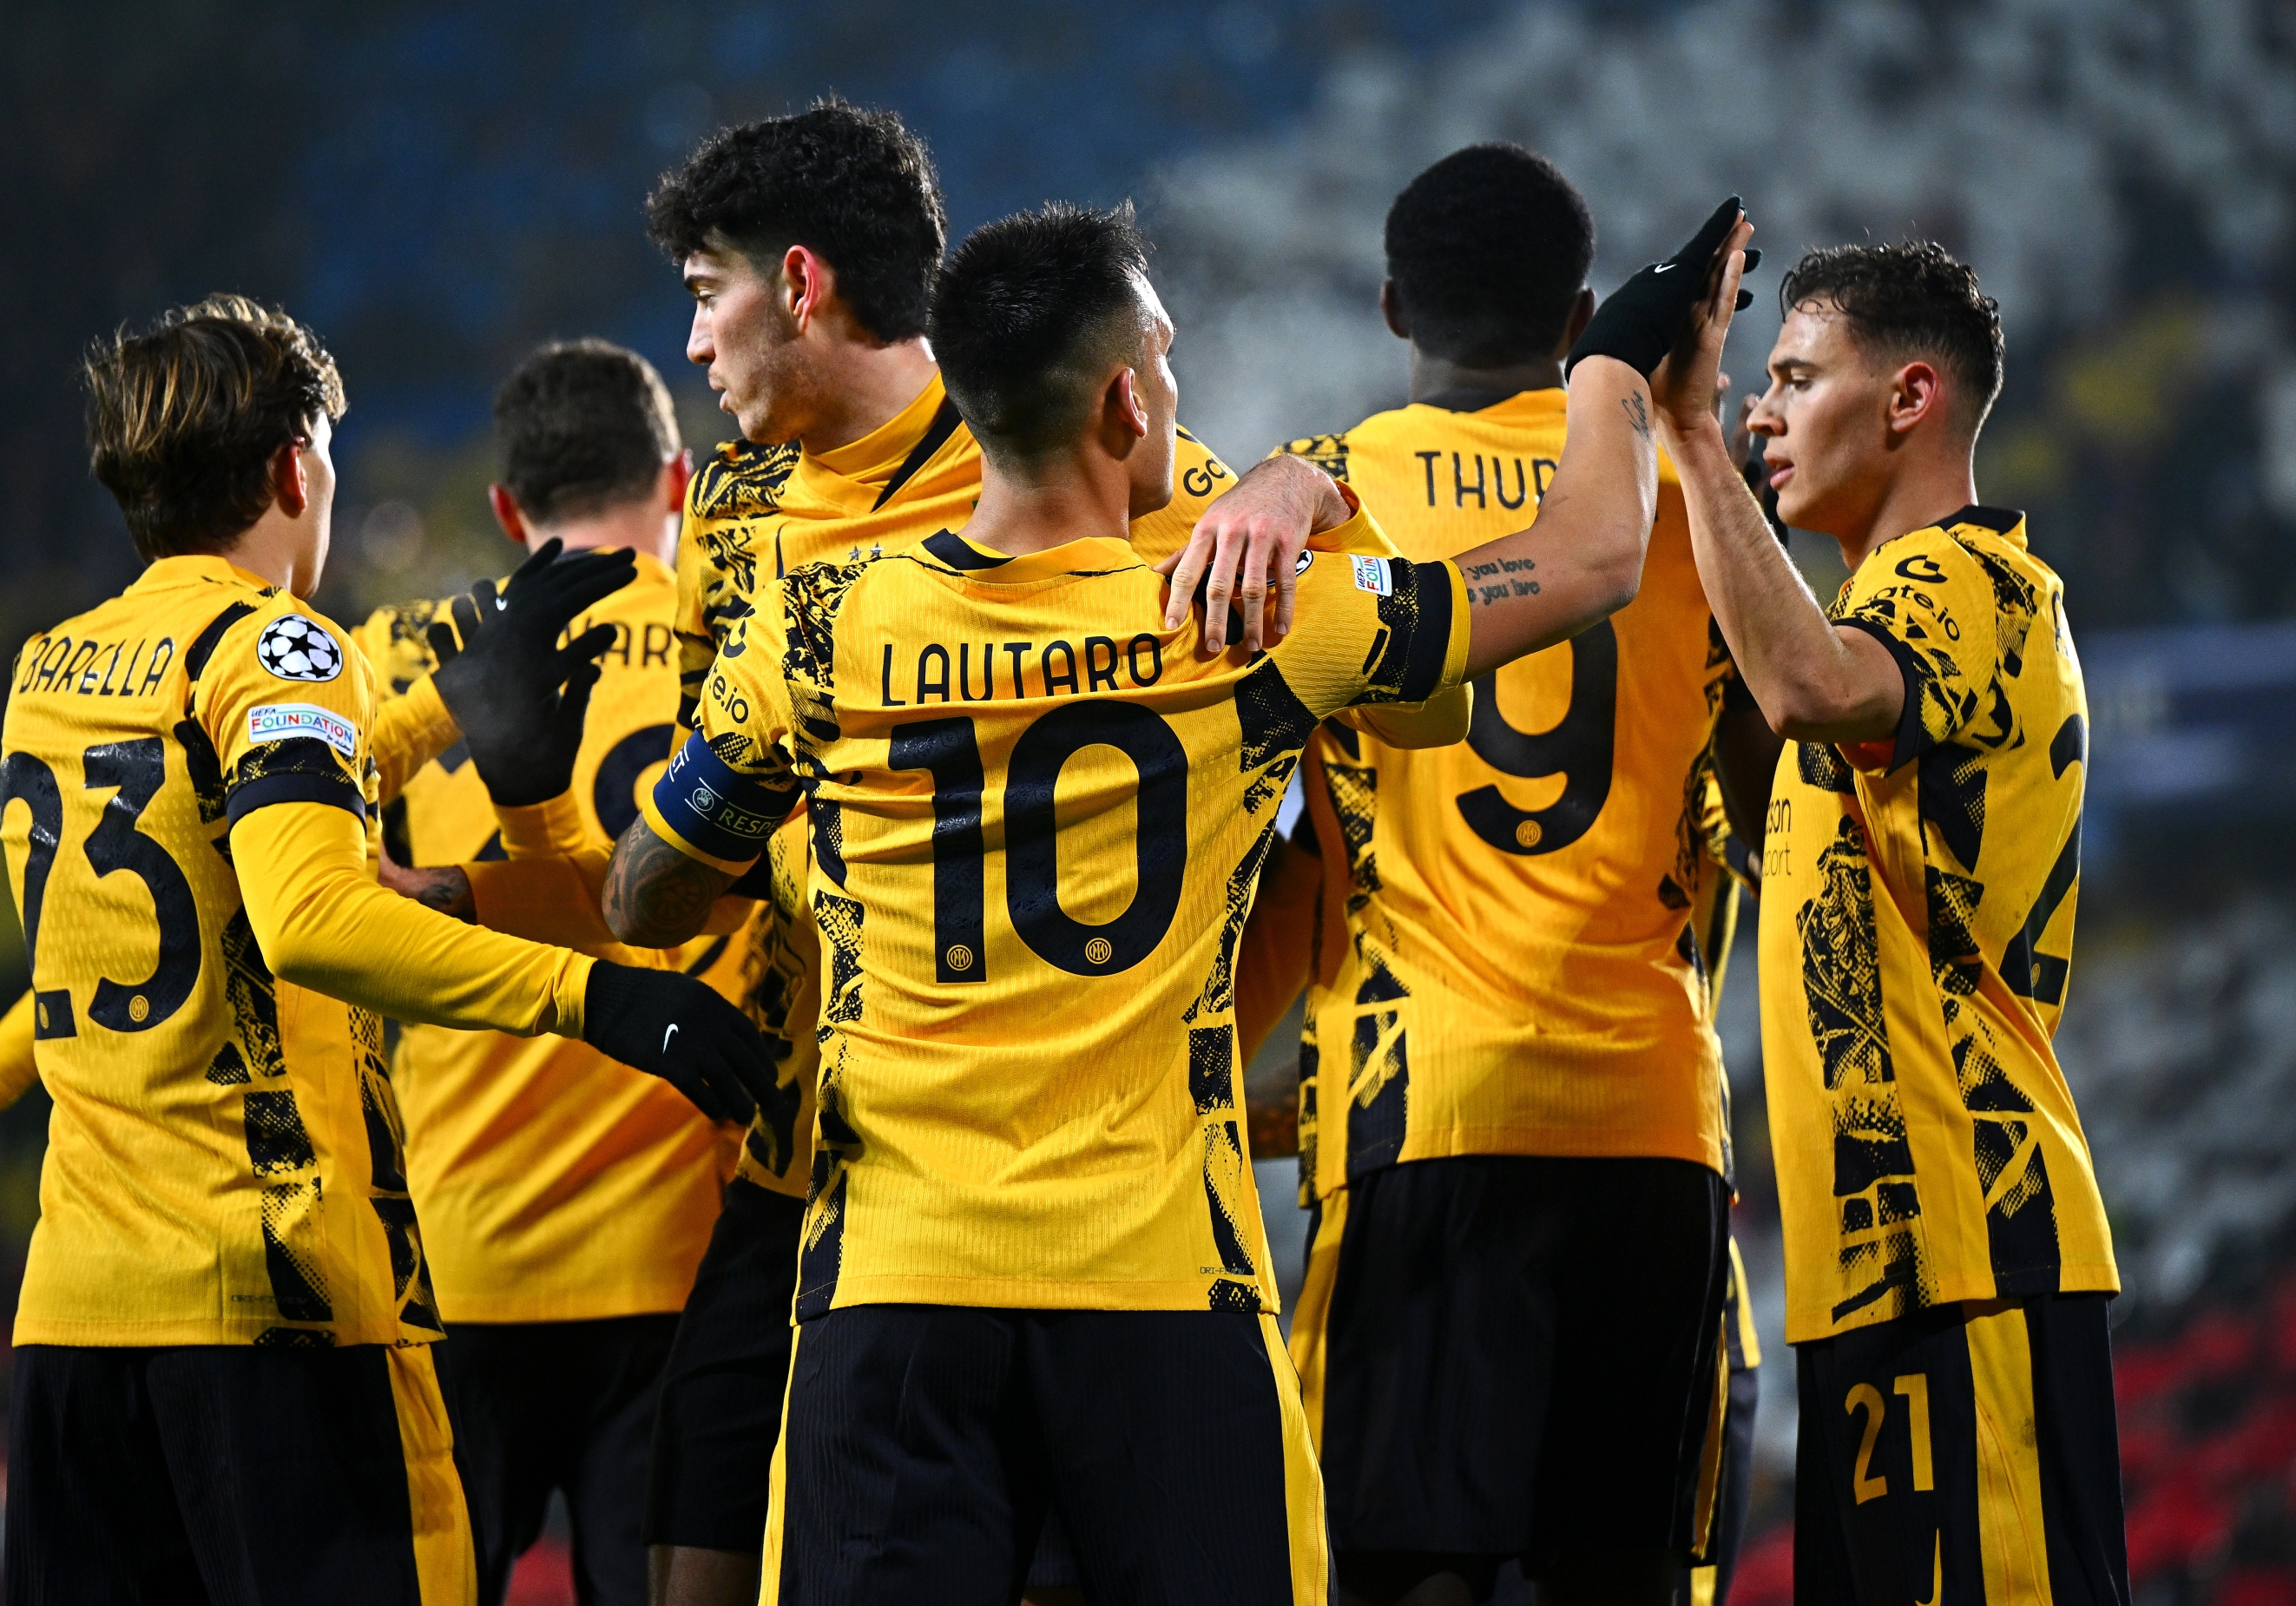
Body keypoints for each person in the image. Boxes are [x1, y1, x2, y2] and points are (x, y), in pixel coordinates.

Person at [602, 196, 1753, 1602]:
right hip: (1160, 1289)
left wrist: (761, 830)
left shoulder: (823, 625)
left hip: (896, 1282)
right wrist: (1622, 363)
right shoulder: (1253, 621)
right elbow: (1587, 560)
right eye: (1169, 362)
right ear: (1127, 400)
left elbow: (648, 898)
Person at [622, 101, 1368, 1606]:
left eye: (707, 297)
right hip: (823, 1168)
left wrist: (1299, 476)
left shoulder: (1074, 453)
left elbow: (1294, 809)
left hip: (1090, 1186)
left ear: (804, 284)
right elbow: (688, 825)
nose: (693, 350)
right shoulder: (733, 509)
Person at [0, 295, 779, 1606]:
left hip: (79, 1315)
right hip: (286, 1299)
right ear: (290, 468)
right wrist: (596, 1002)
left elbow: (139, 901)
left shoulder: (54, 668)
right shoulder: (294, 648)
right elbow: (309, 912)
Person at [1240, 144, 1779, 1606]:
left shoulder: (1319, 504)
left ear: (1393, 305)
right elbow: (1768, 801)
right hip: (1659, 1119)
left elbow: (1263, 845)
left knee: (1402, 1571)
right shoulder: (1686, 499)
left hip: (1430, 1115)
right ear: (1582, 313)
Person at [1660, 244, 2127, 1606]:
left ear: (1910, 396)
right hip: (1880, 1269)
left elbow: (1807, 691)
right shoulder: (1872, 625)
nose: (1761, 412)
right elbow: (1786, 831)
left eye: (1796, 380)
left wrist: (1685, 432)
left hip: (1975, 1252)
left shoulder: (1966, 586)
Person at [351, 339, 753, 1606]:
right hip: (680, 1257)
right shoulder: (740, 645)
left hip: (457, 1259)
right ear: (679, 480)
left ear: (508, 510)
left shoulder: (400, 656)